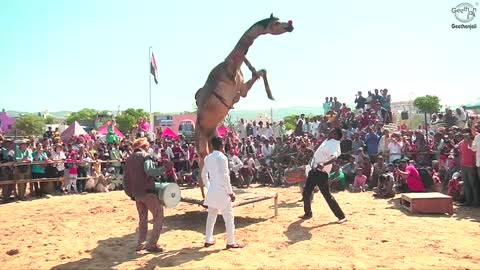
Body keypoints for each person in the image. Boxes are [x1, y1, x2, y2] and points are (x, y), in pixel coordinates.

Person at [123, 137, 166, 253]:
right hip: (148, 192)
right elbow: (150, 171)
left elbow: (125, 179)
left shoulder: (129, 159)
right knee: (159, 216)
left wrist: (131, 194)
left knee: (143, 219)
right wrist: (164, 168)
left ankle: (140, 244)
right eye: (148, 147)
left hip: (137, 194)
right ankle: (152, 244)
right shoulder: (145, 156)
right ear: (145, 146)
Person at [202, 136, 244, 249]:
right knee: (229, 218)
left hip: (212, 190)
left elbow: (203, 175)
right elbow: (225, 177)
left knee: (211, 217)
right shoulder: (222, 158)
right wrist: (230, 192)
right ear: (222, 145)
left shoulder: (208, 158)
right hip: (222, 191)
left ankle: (208, 239)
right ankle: (230, 242)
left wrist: (209, 187)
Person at [299, 127, 347, 223]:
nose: (330, 132)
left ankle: (342, 216)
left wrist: (324, 163)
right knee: (306, 192)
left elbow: (334, 158)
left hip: (321, 173)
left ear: (336, 135)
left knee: (327, 195)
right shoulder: (327, 140)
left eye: (332, 132)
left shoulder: (335, 145)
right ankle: (308, 213)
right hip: (314, 171)